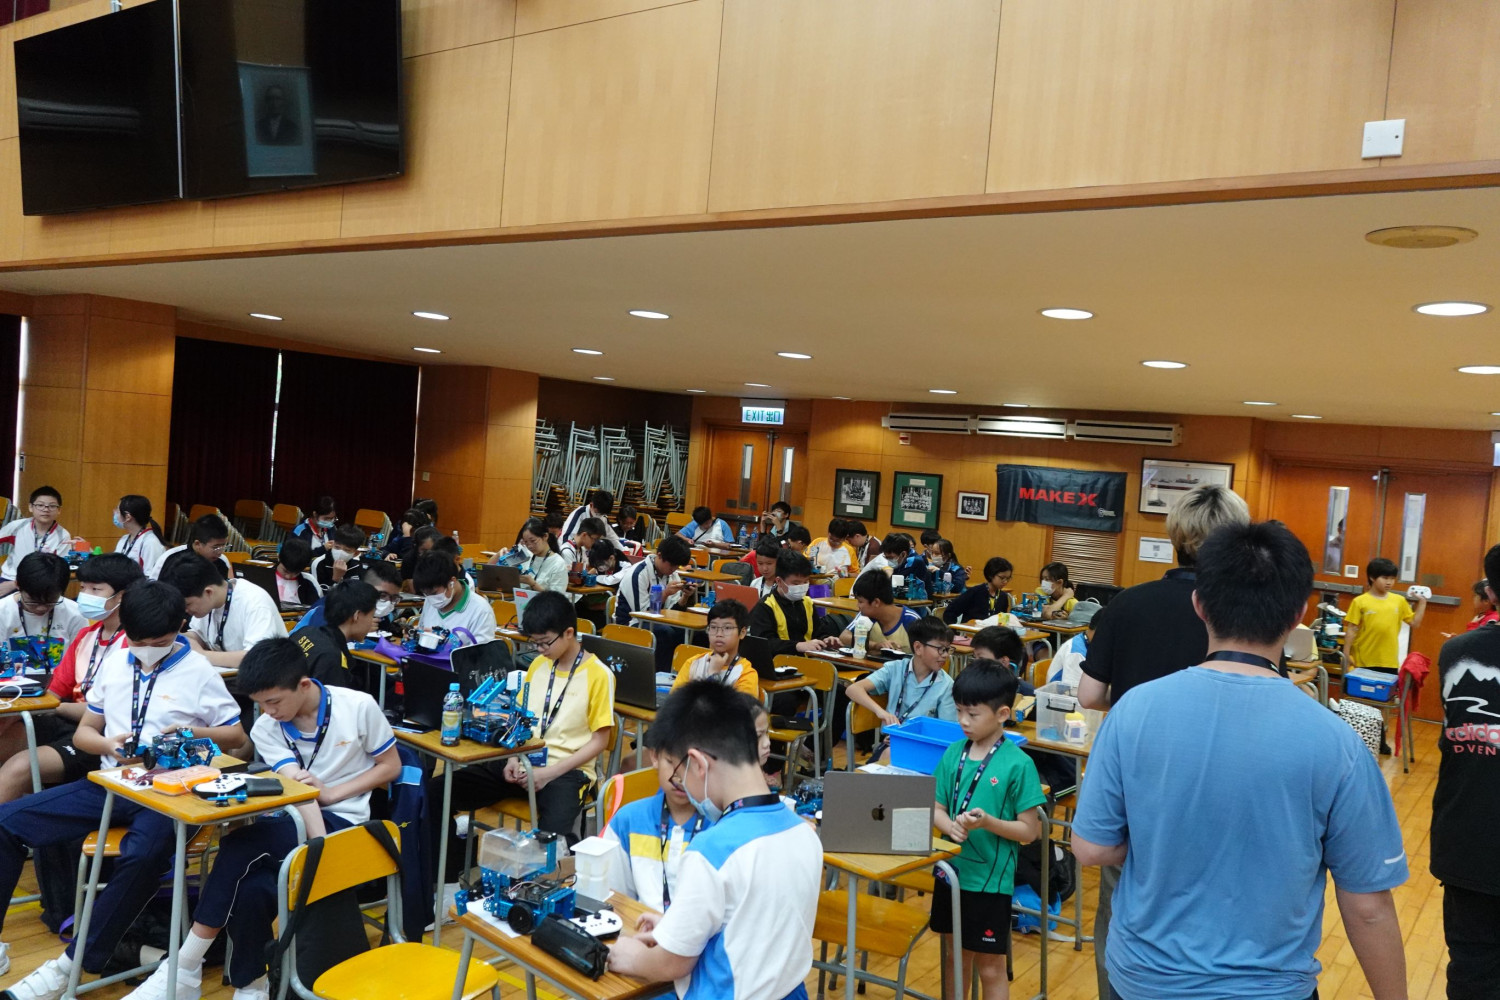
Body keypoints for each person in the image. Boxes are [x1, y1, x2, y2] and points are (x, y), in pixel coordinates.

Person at [1073, 520, 1408, 1000]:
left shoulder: (1134, 710)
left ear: (1199, 604)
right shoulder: (1336, 741)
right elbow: (1369, 905)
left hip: (1145, 980)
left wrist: (1165, 844)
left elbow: (1090, 848)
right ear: (1299, 614)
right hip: (1271, 987)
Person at [0, 582, 243, 1000]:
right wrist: (108, 745)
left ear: (179, 628)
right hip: (113, 782)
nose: (146, 650)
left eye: (159, 643)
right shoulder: (116, 661)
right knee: (6, 822)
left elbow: (236, 736)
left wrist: (189, 731)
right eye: (138, 641)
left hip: (173, 794)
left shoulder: (198, 671)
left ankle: (71, 964)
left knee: (143, 855)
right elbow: (85, 733)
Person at [121, 638, 400, 1000]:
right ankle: (250, 985)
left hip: (347, 826)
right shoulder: (266, 728)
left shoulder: (358, 706)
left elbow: (390, 766)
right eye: (260, 704)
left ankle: (185, 966)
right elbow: (298, 792)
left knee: (240, 845)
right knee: (251, 888)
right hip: (299, 821)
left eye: (274, 701)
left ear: (303, 685)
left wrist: (331, 800)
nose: (268, 711)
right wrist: (315, 844)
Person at [1075, 483, 1249, 999]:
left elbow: (1089, 694)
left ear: (1175, 536)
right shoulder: (1243, 616)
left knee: (1120, 901)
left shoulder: (1128, 603)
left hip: (1139, 775)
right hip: (1221, 778)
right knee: (1213, 904)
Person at [606, 680, 821, 1000]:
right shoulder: (804, 832)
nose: (683, 787)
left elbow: (671, 964)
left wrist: (629, 956)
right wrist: (676, 928)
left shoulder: (711, 850)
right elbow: (750, 927)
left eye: (681, 774)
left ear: (698, 763)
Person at [430, 592, 613, 870]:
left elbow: (601, 740)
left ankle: (551, 876)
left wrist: (549, 773)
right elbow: (518, 718)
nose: (539, 649)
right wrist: (513, 758)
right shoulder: (539, 665)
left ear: (569, 633)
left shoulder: (599, 674)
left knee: (550, 840)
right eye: (534, 642)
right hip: (522, 762)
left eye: (544, 642)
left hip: (565, 773)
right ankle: (448, 871)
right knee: (437, 791)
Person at [930, 660, 1045, 1000]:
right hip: (950, 875)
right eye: (959, 711)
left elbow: (1029, 832)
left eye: (973, 714)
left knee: (991, 967)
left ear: (1002, 714)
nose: (963, 721)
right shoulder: (953, 753)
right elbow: (935, 808)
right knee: (955, 959)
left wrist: (987, 823)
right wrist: (949, 826)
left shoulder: (1019, 764)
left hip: (990, 884)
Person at [0, 555, 141, 802]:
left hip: (99, 735)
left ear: (122, 596)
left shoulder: (134, 643)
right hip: (63, 721)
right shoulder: (87, 635)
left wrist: (56, 707)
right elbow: (53, 692)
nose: (85, 596)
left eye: (95, 589)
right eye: (83, 587)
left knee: (19, 767)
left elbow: (110, 710)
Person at [1431, 543, 1500, 998]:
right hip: (1470, 844)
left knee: (1472, 970)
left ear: (1491, 592)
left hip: (1468, 837)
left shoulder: (1457, 652)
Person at [599, 722, 715, 914]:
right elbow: (613, 900)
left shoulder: (724, 827)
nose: (680, 778)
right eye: (671, 762)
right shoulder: (627, 821)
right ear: (655, 757)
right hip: (638, 929)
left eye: (692, 766)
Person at [846, 615, 958, 742]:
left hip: (923, 744)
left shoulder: (947, 685)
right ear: (918, 648)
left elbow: (946, 733)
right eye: (941, 649)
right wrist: (881, 712)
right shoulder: (895, 669)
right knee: (886, 752)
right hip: (891, 740)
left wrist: (906, 738)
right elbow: (853, 689)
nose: (945, 655)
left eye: (948, 649)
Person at [161, 555, 285, 669]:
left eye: (188, 604)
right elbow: (199, 636)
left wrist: (203, 655)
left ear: (208, 592)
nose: (185, 611)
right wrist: (173, 638)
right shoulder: (211, 601)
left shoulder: (254, 602)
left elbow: (257, 658)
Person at [615, 535, 696, 669]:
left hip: (660, 621)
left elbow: (672, 612)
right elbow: (642, 615)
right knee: (665, 633)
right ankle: (659, 675)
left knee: (692, 633)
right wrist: (664, 594)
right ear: (659, 555)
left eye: (677, 566)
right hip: (629, 624)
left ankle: (680, 673)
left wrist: (685, 598)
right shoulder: (638, 574)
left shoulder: (672, 574)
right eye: (672, 565)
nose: (674, 569)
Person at [747, 550, 841, 658]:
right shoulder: (765, 606)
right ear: (779, 581)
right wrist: (797, 646)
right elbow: (765, 643)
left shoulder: (807, 603)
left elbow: (818, 632)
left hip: (808, 660)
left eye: (805, 582)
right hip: (779, 662)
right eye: (795, 583)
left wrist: (826, 639)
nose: (801, 586)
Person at [288, 580, 378, 689]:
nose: (371, 621)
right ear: (357, 615)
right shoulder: (332, 657)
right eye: (372, 615)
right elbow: (328, 699)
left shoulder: (305, 631)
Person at [1344, 556, 1427, 671]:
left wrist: (1422, 602)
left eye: (1392, 579)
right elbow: (1351, 630)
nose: (1389, 582)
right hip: (1363, 660)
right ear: (1372, 577)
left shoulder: (1399, 601)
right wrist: (1346, 653)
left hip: (1389, 662)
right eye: (1385, 578)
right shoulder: (1359, 601)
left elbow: (1415, 623)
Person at [0, 553, 87, 659]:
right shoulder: (2, 612)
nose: (41, 608)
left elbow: (81, 658)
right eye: (33, 602)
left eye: (50, 601)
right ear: (18, 585)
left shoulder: (75, 614)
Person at [671, 599, 759, 697]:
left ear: (742, 633)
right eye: (713, 627)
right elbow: (675, 702)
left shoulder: (746, 674)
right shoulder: (693, 663)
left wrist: (713, 675)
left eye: (727, 628)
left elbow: (739, 707)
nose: (719, 634)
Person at [0, 487, 72, 596]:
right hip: (9, 578)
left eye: (52, 506)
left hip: (42, 583)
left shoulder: (63, 535)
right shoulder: (17, 526)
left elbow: (58, 570)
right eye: (40, 505)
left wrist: (15, 584)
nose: (46, 509)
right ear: (31, 507)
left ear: (59, 510)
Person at [413, 551, 496, 644]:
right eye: (426, 594)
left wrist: (447, 644)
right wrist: (416, 638)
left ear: (452, 581)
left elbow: (481, 651)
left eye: (434, 593)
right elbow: (422, 632)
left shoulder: (481, 610)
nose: (431, 598)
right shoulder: (430, 600)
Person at [836, 572, 923, 654]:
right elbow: (844, 638)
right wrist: (875, 645)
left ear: (876, 602)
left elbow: (925, 653)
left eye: (860, 601)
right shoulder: (866, 616)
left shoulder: (911, 619)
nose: (858, 606)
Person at [148, 514, 231, 580]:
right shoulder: (170, 558)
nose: (220, 553)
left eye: (223, 546)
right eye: (215, 547)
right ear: (197, 544)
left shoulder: (222, 561)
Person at [943, 558, 1014, 624]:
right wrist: (955, 630)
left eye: (1008, 578)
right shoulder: (974, 592)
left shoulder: (1003, 597)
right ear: (991, 575)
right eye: (1002, 578)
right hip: (970, 632)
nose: (1005, 582)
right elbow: (950, 612)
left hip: (992, 632)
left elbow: (1001, 622)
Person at [561, 489, 628, 552]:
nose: (600, 516)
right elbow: (567, 537)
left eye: (602, 514)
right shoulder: (579, 514)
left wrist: (623, 550)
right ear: (591, 505)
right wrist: (571, 553)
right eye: (598, 513)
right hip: (571, 550)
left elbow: (611, 537)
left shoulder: (603, 518)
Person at [111, 495, 164, 572]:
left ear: (128, 517)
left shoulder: (150, 542)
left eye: (118, 511)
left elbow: (150, 576)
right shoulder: (124, 539)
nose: (114, 513)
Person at [515, 517, 568, 594]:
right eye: (526, 542)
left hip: (544, 602)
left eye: (533, 541)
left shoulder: (558, 563)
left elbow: (556, 598)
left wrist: (533, 584)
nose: (529, 546)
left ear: (545, 536)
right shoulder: (527, 557)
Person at [310, 524, 366, 592]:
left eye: (347, 550)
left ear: (355, 553)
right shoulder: (318, 564)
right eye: (337, 547)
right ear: (332, 544)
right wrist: (336, 579)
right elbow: (317, 595)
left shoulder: (357, 565)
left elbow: (356, 593)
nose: (340, 552)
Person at [272, 535, 321, 608]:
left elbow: (315, 608)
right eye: (285, 571)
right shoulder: (264, 574)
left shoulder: (308, 582)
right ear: (279, 558)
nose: (288, 576)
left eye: (296, 573)